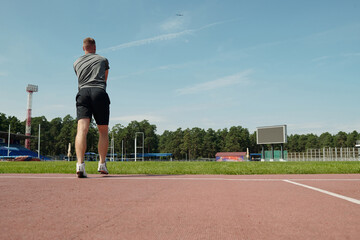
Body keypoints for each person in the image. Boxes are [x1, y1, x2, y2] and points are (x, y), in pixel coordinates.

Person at [73, 37, 110, 178]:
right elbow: (105, 78)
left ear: (84, 48)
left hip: (82, 93)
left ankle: (80, 165)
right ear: (95, 47)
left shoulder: (76, 62)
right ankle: (102, 164)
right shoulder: (103, 60)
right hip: (99, 91)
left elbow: (79, 77)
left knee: (82, 129)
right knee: (103, 130)